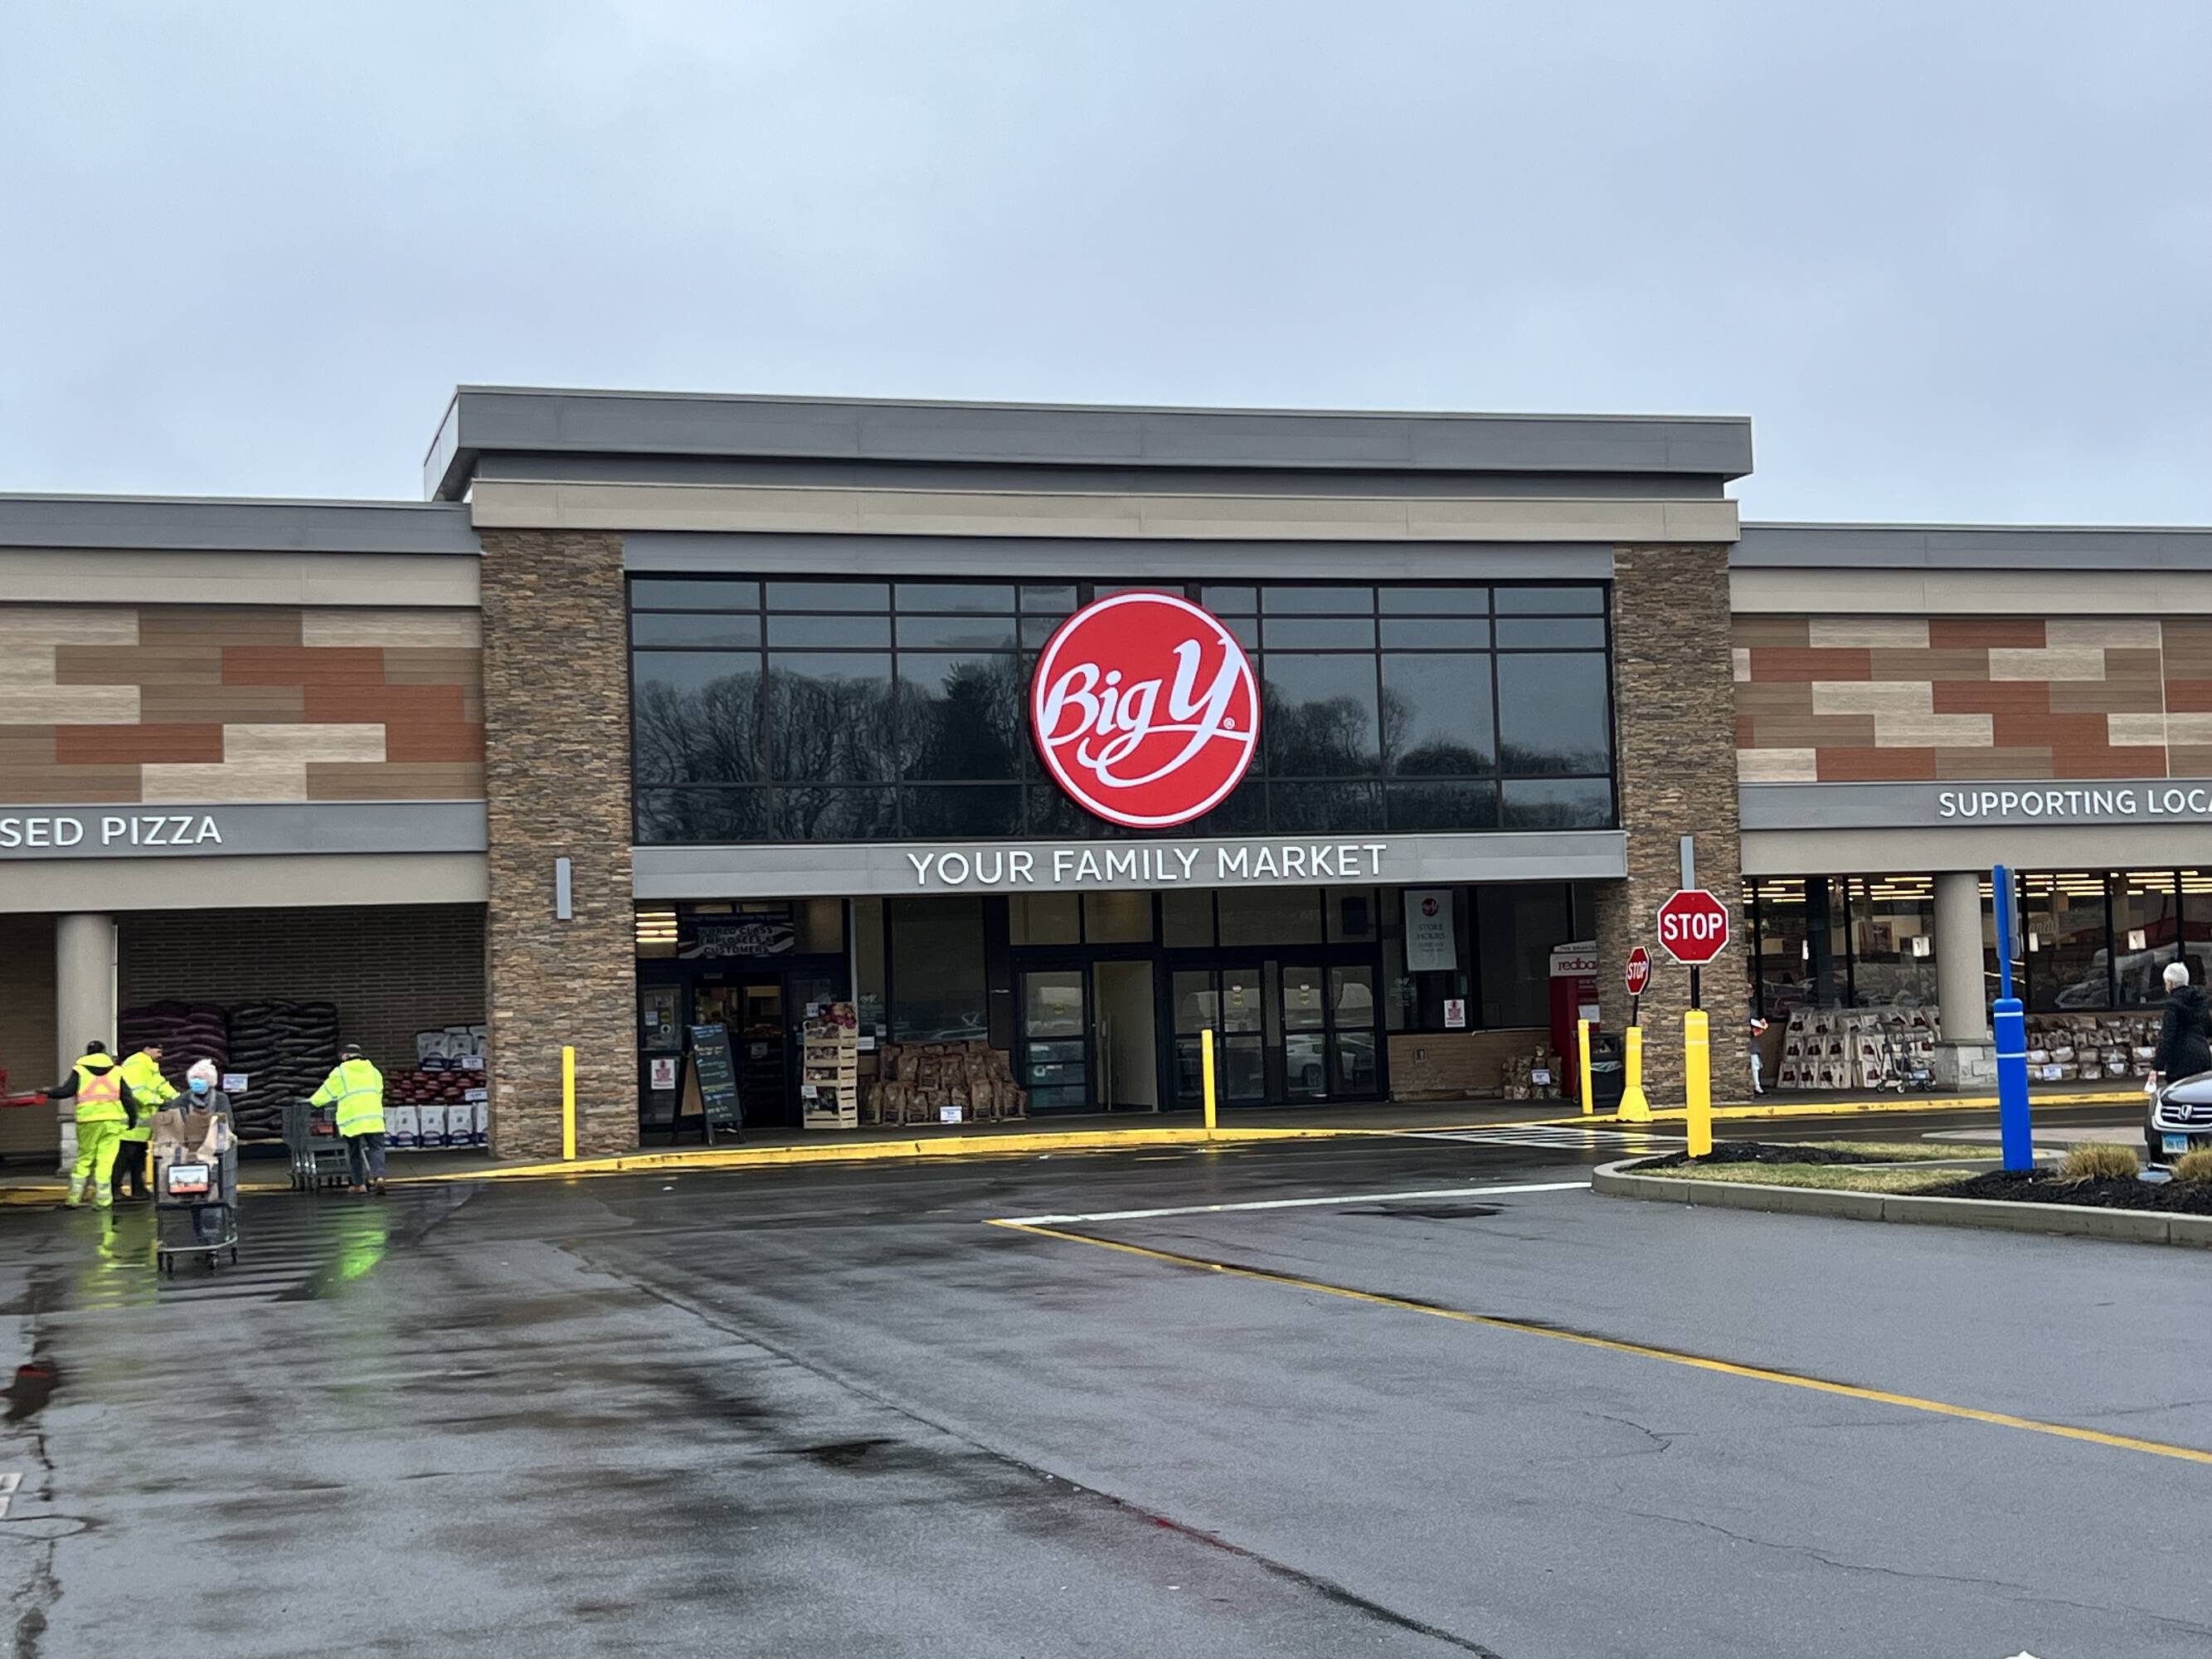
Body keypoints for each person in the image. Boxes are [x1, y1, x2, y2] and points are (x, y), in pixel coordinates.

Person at [51, 1041, 132, 1209]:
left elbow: (66, 1091)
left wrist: (49, 1093)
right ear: (104, 1052)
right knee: (106, 1161)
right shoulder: (117, 1071)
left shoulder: (80, 1070)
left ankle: (73, 1199)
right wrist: (133, 1119)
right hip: (112, 1122)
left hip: (87, 1121)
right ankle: (103, 1201)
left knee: (85, 1159)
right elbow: (127, 1098)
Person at [311, 1044, 386, 1195]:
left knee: (354, 1151)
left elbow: (324, 1094)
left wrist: (312, 1102)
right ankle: (379, 1176)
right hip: (374, 1117)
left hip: (352, 1119)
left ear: (346, 1056)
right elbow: (379, 1091)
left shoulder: (340, 1072)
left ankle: (359, 1185)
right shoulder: (374, 1071)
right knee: (376, 1147)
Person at [112, 1042, 178, 1203]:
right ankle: (114, 1188)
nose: (160, 1055)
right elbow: (136, 1092)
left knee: (138, 1158)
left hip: (142, 1124)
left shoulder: (150, 1065)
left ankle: (138, 1189)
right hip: (131, 1121)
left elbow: (161, 1084)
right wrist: (159, 1101)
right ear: (146, 1049)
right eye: (157, 1051)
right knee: (125, 1157)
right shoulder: (137, 1064)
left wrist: (177, 1098)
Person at [2150, 960, 2212, 1089]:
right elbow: (2208, 1029)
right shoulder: (2200, 1001)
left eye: (2166, 982)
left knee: (2178, 1094)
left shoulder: (2173, 1004)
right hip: (2202, 1055)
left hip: (2181, 1059)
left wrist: (2157, 1066)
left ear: (2171, 983)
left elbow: (2168, 1037)